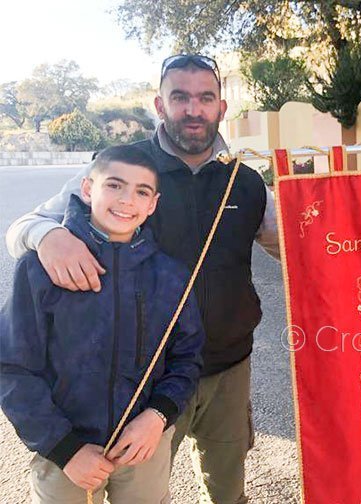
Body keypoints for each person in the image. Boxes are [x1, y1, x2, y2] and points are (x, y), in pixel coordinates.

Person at [5, 54, 279, 504]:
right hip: (143, 376)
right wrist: (48, 235)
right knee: (145, 486)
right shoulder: (126, 169)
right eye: (180, 97)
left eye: (205, 98)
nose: (193, 109)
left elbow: (292, 245)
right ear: (159, 104)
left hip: (227, 367)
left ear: (221, 108)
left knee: (227, 488)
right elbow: (25, 227)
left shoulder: (245, 182)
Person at [0, 145, 204, 503]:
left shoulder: (170, 276)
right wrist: (63, 448)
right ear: (87, 189)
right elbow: (11, 367)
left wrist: (158, 416)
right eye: (114, 185)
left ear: (152, 204)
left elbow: (186, 356)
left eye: (141, 191)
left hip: (143, 445)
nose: (127, 200)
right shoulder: (40, 269)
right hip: (65, 454)